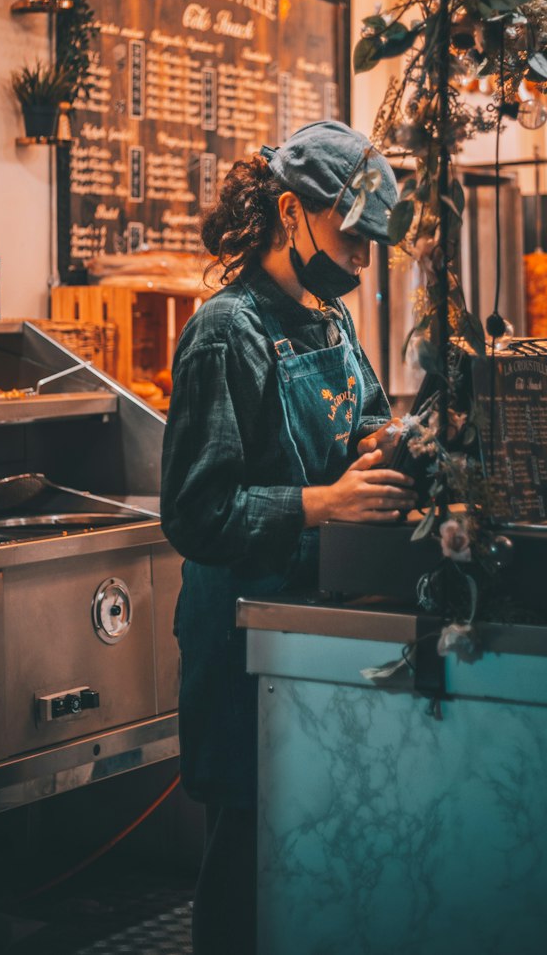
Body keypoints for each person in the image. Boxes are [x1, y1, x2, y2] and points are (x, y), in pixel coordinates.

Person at [160, 120, 414, 955]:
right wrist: (322, 504)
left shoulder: (330, 321)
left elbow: (365, 423)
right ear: (289, 212)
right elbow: (196, 515)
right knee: (248, 846)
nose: (362, 262)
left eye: (372, 245)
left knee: (311, 842)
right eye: (352, 238)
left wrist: (390, 445)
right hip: (244, 633)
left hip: (318, 626)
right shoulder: (225, 333)